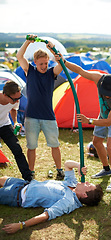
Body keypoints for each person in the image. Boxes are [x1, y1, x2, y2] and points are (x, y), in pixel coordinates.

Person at [52, 56, 111, 192]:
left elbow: (110, 121)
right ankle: (106, 169)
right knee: (97, 142)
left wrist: (89, 121)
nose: (107, 97)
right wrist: (64, 62)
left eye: (110, 94)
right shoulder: (98, 78)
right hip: (104, 114)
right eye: (105, 94)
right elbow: (80, 71)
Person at [1, 160, 103, 234]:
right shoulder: (73, 183)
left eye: (88, 185)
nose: (87, 182)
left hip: (17, 195)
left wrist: (21, 225)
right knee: (2, 179)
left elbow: (46, 215)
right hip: (25, 184)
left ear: (84, 194)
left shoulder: (68, 202)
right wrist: (78, 165)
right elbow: (67, 165)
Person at [16, 34, 64, 180]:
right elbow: (19, 55)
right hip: (31, 117)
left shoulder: (51, 73)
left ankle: (59, 169)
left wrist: (54, 51)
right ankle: (31, 171)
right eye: (41, 63)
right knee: (31, 147)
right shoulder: (29, 71)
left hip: (48, 116)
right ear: (35, 62)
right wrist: (27, 42)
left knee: (54, 145)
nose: (44, 66)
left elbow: (61, 65)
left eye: (46, 63)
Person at [0, 81, 33, 181]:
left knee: (17, 150)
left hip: (5, 125)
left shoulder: (15, 100)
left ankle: (28, 178)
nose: (17, 101)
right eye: (15, 99)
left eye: (19, 98)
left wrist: (15, 122)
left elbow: (13, 109)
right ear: (5, 94)